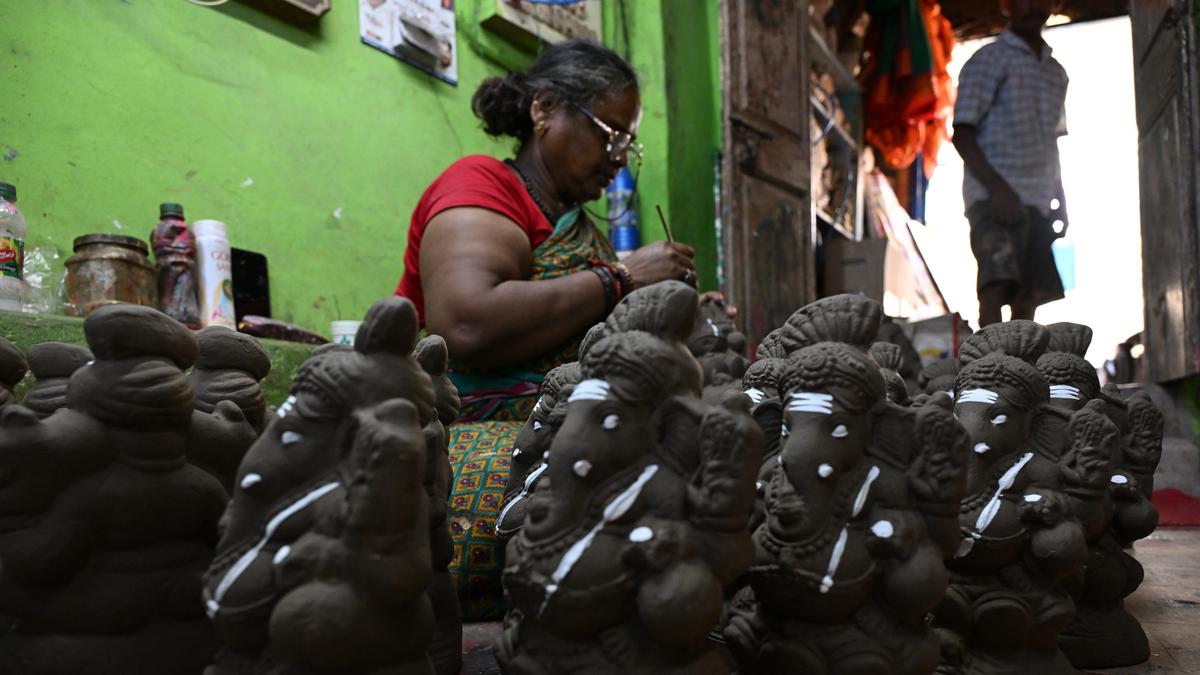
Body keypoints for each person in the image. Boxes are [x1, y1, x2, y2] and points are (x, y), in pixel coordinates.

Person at [394, 40, 699, 620]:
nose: (617, 157)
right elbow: (464, 322)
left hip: (558, 426)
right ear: (544, 109)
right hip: (457, 439)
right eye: (610, 133)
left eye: (626, 143)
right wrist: (623, 277)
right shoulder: (482, 184)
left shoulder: (583, 232)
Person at [952, 0, 1068, 327]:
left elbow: (1052, 141)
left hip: (1039, 198)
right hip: (993, 196)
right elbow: (962, 134)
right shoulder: (989, 60)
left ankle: (1019, 372)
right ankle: (988, 370)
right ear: (1005, 5)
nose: (1033, 6)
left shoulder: (1056, 72)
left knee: (1029, 296)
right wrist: (998, 190)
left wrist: (1059, 200)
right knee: (996, 285)